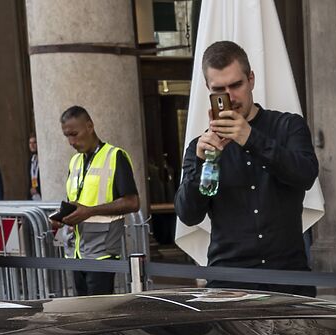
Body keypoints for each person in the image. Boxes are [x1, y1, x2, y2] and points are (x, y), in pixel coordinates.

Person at [174, 40, 319, 277]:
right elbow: (189, 215)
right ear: (208, 89)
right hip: (228, 277)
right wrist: (202, 164)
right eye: (219, 90)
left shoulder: (288, 126)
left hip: (287, 273)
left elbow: (305, 176)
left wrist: (251, 139)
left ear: (251, 79)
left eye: (236, 85)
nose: (230, 97)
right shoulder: (200, 146)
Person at [53, 106, 138, 291]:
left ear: (90, 126)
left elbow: (132, 202)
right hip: (75, 251)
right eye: (67, 136)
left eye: (74, 134)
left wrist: (89, 212)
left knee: (99, 307)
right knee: (83, 307)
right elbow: (75, 201)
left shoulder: (115, 156)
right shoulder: (75, 161)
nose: (71, 142)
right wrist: (61, 217)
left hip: (102, 252)